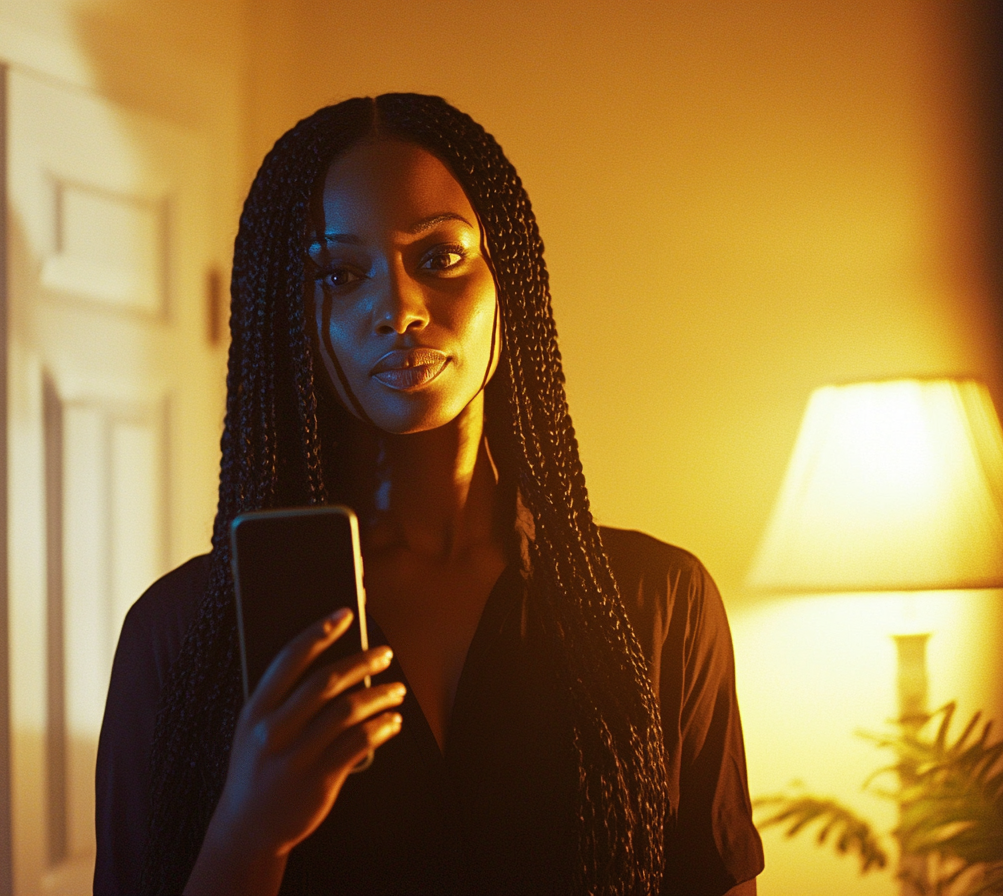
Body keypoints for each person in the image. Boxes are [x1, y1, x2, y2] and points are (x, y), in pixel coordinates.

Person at [95, 93, 764, 896]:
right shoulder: (182, 641)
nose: (399, 309)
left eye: (440, 257)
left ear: (506, 280)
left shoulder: (658, 607)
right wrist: (251, 827)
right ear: (289, 317)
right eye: (341, 274)